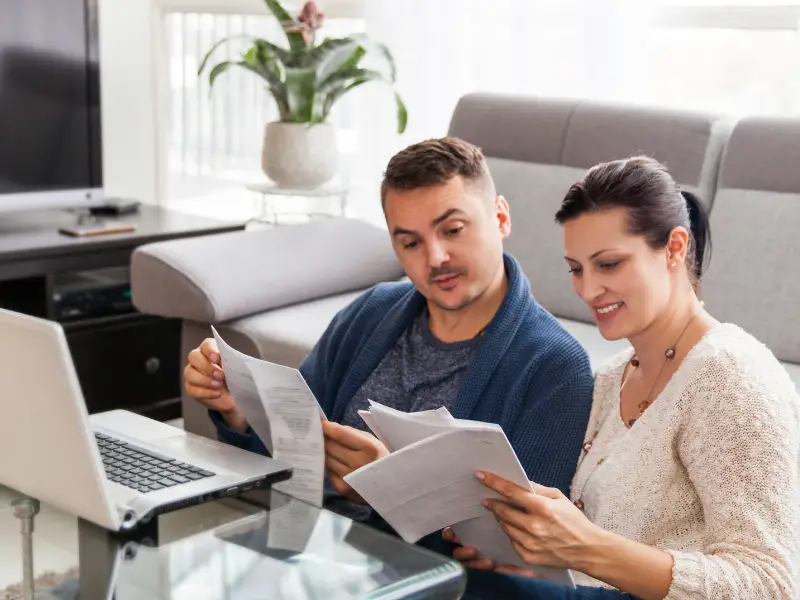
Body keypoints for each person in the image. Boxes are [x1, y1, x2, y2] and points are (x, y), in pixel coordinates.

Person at [182, 137, 595, 522]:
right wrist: (235, 410)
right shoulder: (371, 313)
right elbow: (291, 454)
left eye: (453, 230)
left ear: (500, 217)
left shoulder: (556, 367)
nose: (436, 258)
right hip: (311, 548)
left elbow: (527, 547)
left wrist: (390, 491)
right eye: (411, 243)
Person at [447, 156, 800, 600]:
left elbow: (772, 584)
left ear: (674, 247)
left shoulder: (730, 378)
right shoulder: (612, 378)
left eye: (609, 264)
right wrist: (528, 560)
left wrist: (585, 549)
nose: (589, 290)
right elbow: (593, 557)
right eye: (576, 269)